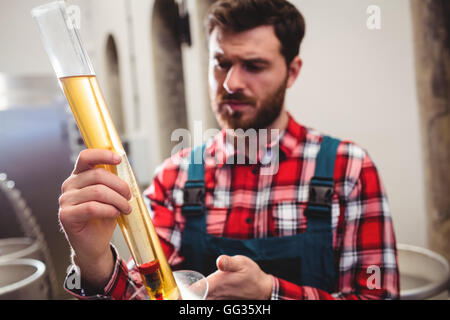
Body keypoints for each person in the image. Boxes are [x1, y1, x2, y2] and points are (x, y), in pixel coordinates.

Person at [60, 0, 399, 300]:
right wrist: (94, 263)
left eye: (253, 65)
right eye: (221, 63)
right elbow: (150, 294)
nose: (231, 83)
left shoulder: (348, 170)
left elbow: (377, 296)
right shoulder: (174, 178)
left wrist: (271, 293)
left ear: (292, 72)